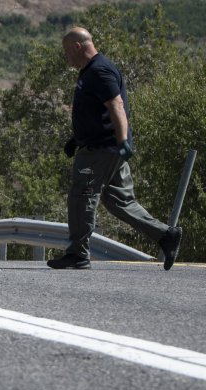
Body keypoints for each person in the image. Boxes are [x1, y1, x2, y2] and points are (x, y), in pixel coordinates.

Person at [48, 27, 182, 270]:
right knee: (121, 201)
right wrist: (77, 139)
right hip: (102, 147)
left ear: (78, 46)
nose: (67, 58)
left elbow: (116, 105)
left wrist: (122, 141)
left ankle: (78, 253)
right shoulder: (90, 71)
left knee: (82, 197)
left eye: (67, 52)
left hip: (102, 150)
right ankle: (166, 235)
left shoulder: (99, 70)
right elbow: (97, 113)